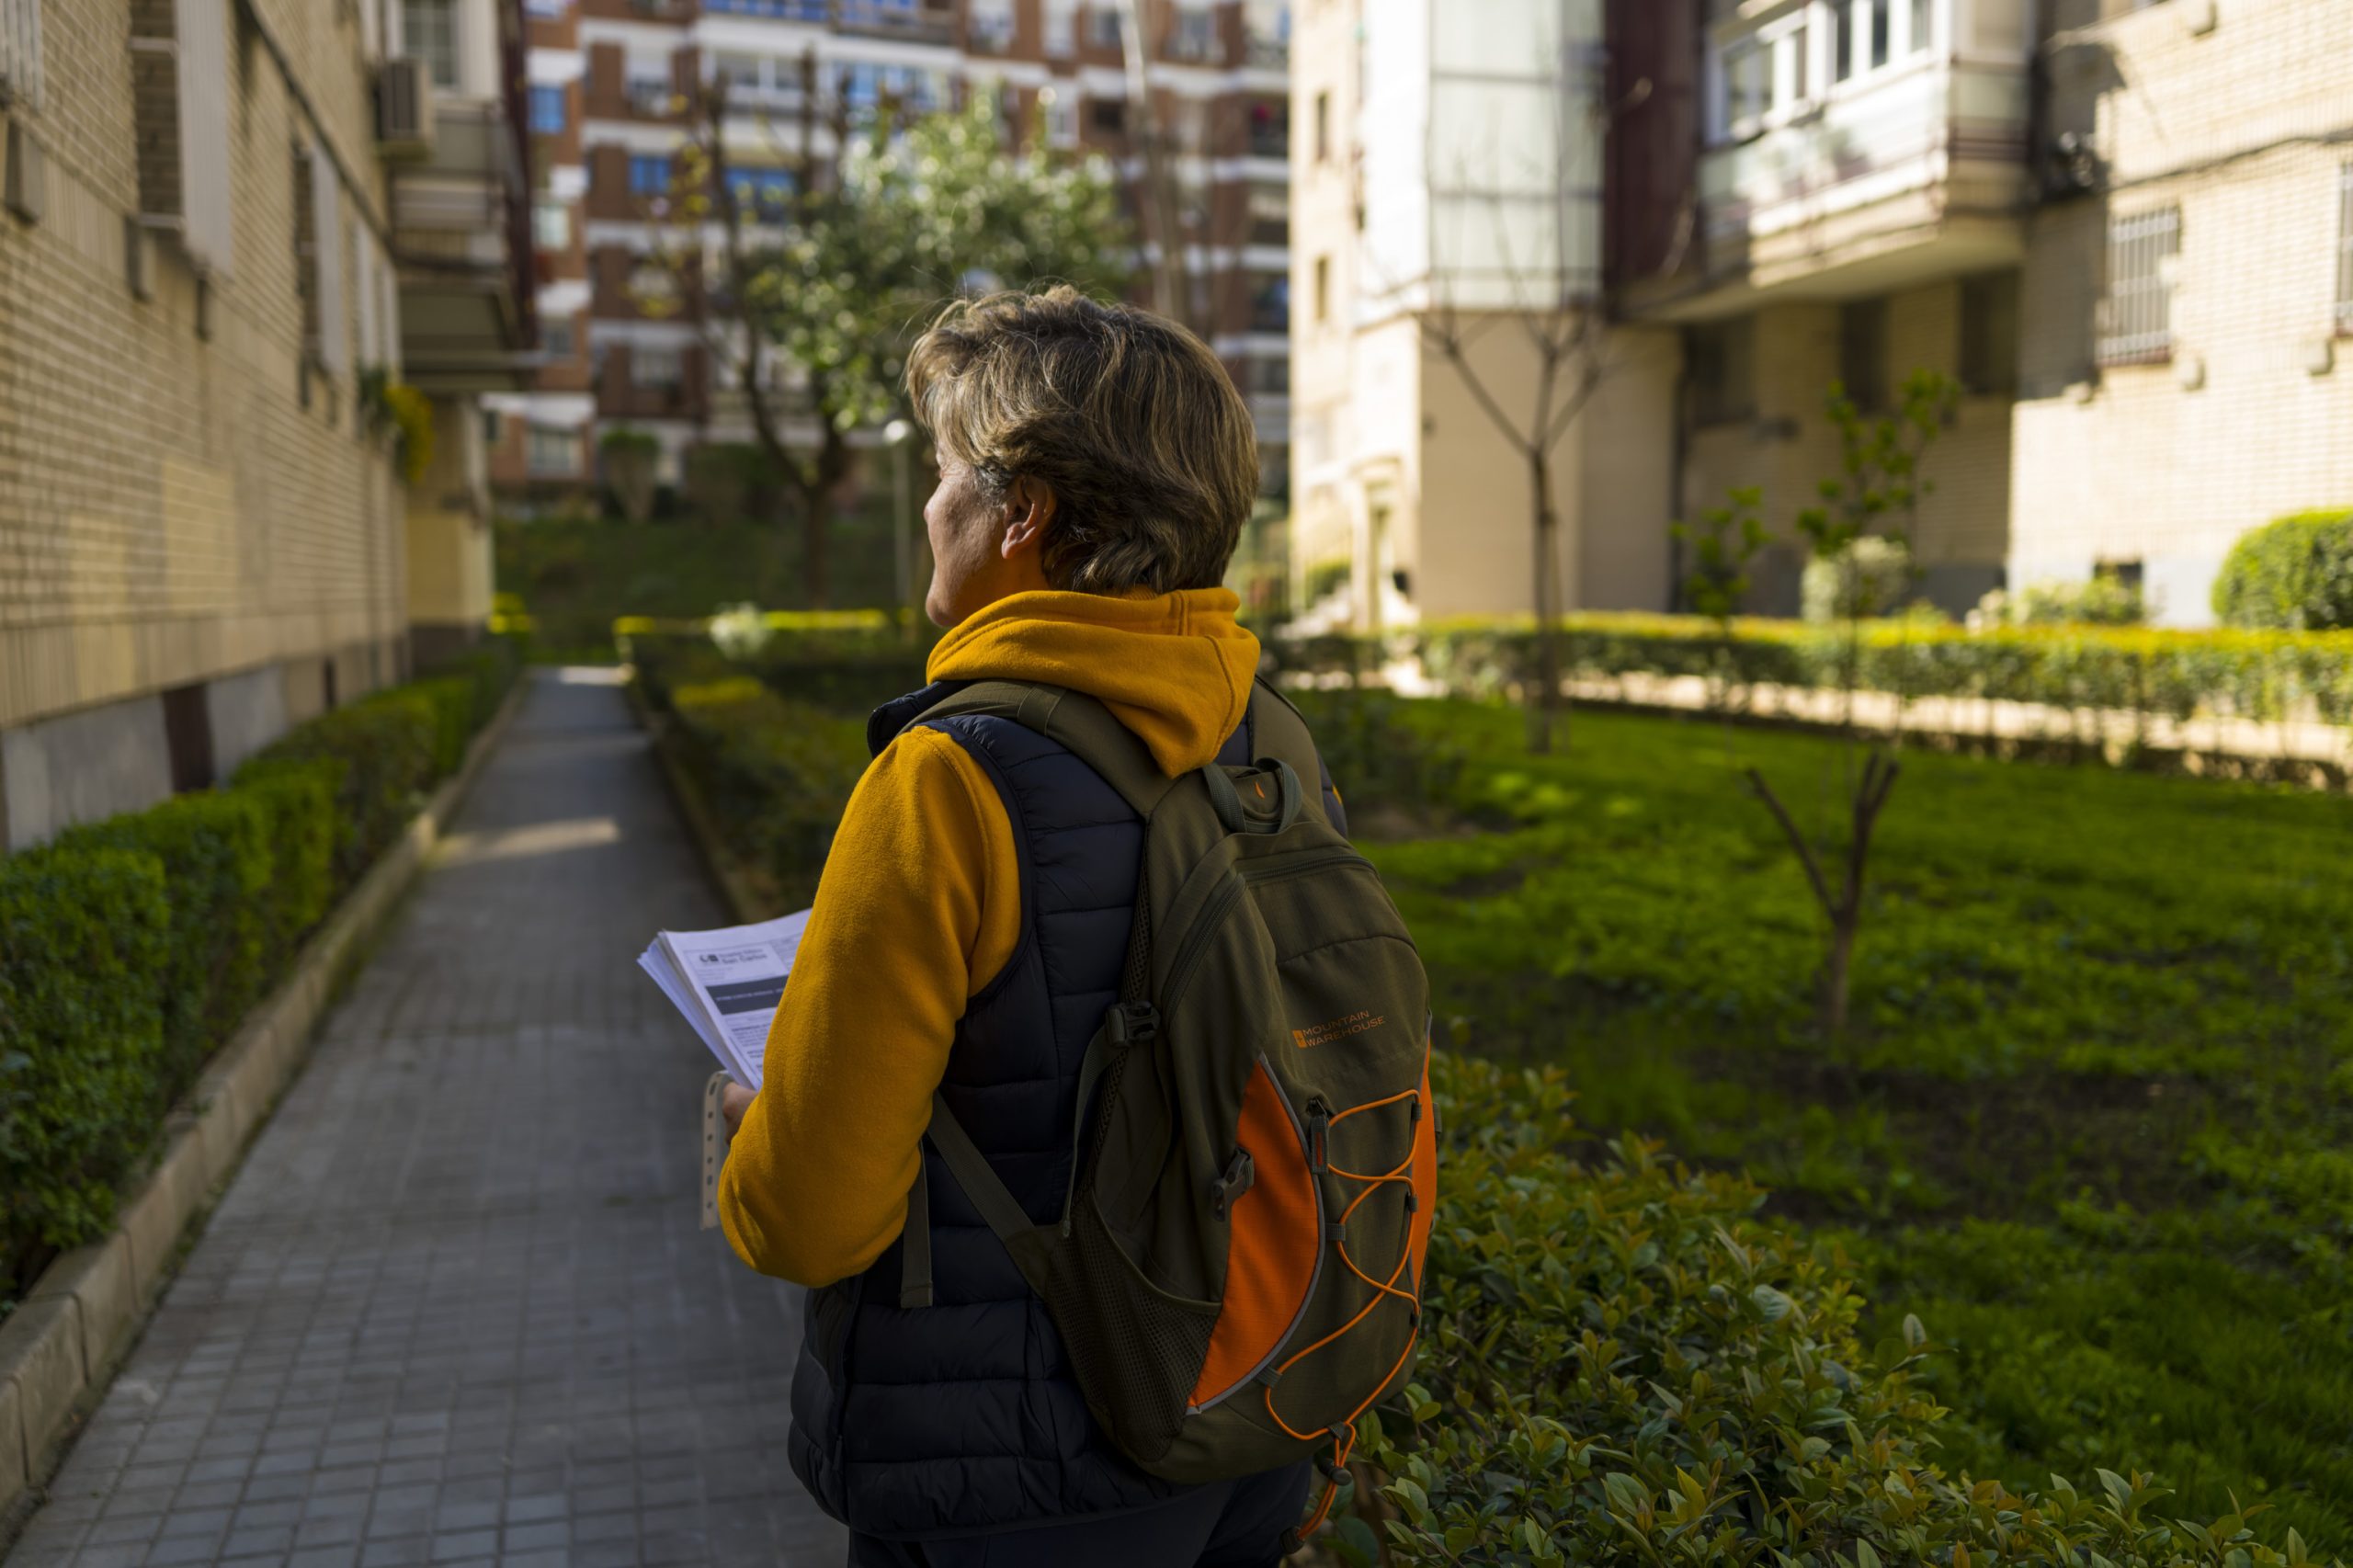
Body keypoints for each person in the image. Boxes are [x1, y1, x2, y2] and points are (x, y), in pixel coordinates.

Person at [716, 288, 1336, 1566]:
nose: (930, 504)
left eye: (945, 470)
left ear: (1022, 511)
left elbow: (813, 1219)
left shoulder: (951, 778)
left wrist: (752, 1126)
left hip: (1013, 1478)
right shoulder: (1267, 738)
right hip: (1256, 1418)